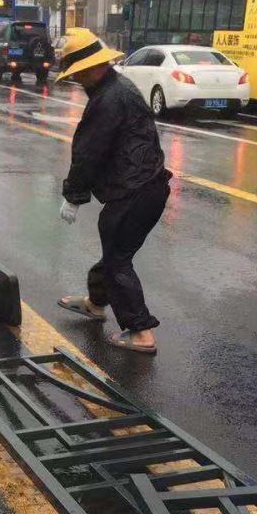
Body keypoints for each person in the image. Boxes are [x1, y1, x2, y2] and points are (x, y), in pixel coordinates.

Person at [55, 28, 171, 356]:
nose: (77, 79)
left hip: (133, 192)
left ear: (93, 67)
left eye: (78, 73)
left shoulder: (107, 100)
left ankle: (140, 331)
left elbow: (88, 152)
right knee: (115, 252)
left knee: (118, 261)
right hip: (147, 187)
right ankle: (95, 302)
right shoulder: (119, 87)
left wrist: (73, 196)